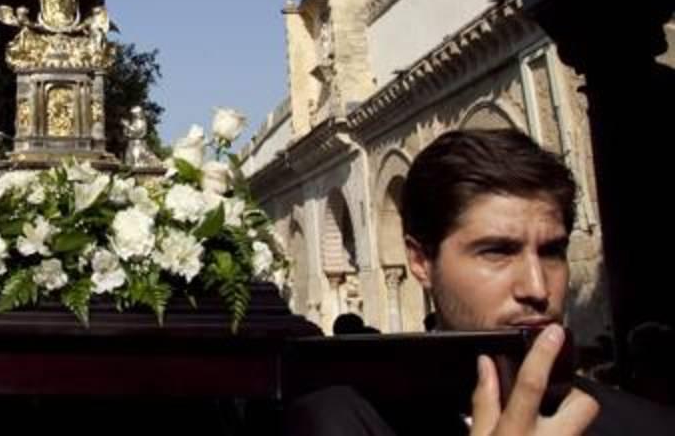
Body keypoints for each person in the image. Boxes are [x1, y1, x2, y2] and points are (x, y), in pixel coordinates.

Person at [285, 129, 675, 435]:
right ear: (421, 261)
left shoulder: (646, 424)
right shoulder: (345, 422)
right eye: (497, 252)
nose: (537, 288)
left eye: (552, 251)